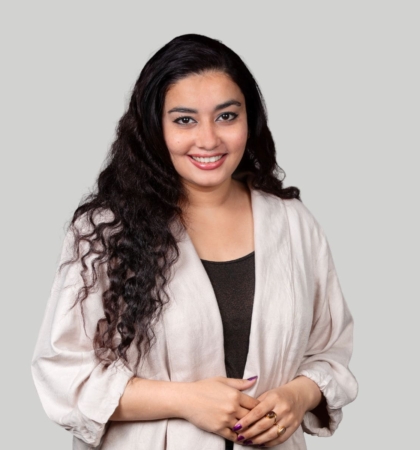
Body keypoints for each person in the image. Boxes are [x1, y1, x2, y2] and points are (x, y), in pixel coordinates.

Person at [31, 34, 357, 450]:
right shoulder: (107, 231)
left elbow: (330, 350)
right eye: (184, 120)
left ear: (249, 120)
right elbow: (63, 372)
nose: (208, 140)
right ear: (154, 127)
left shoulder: (293, 223)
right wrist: (185, 401)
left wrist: (298, 395)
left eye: (226, 116)